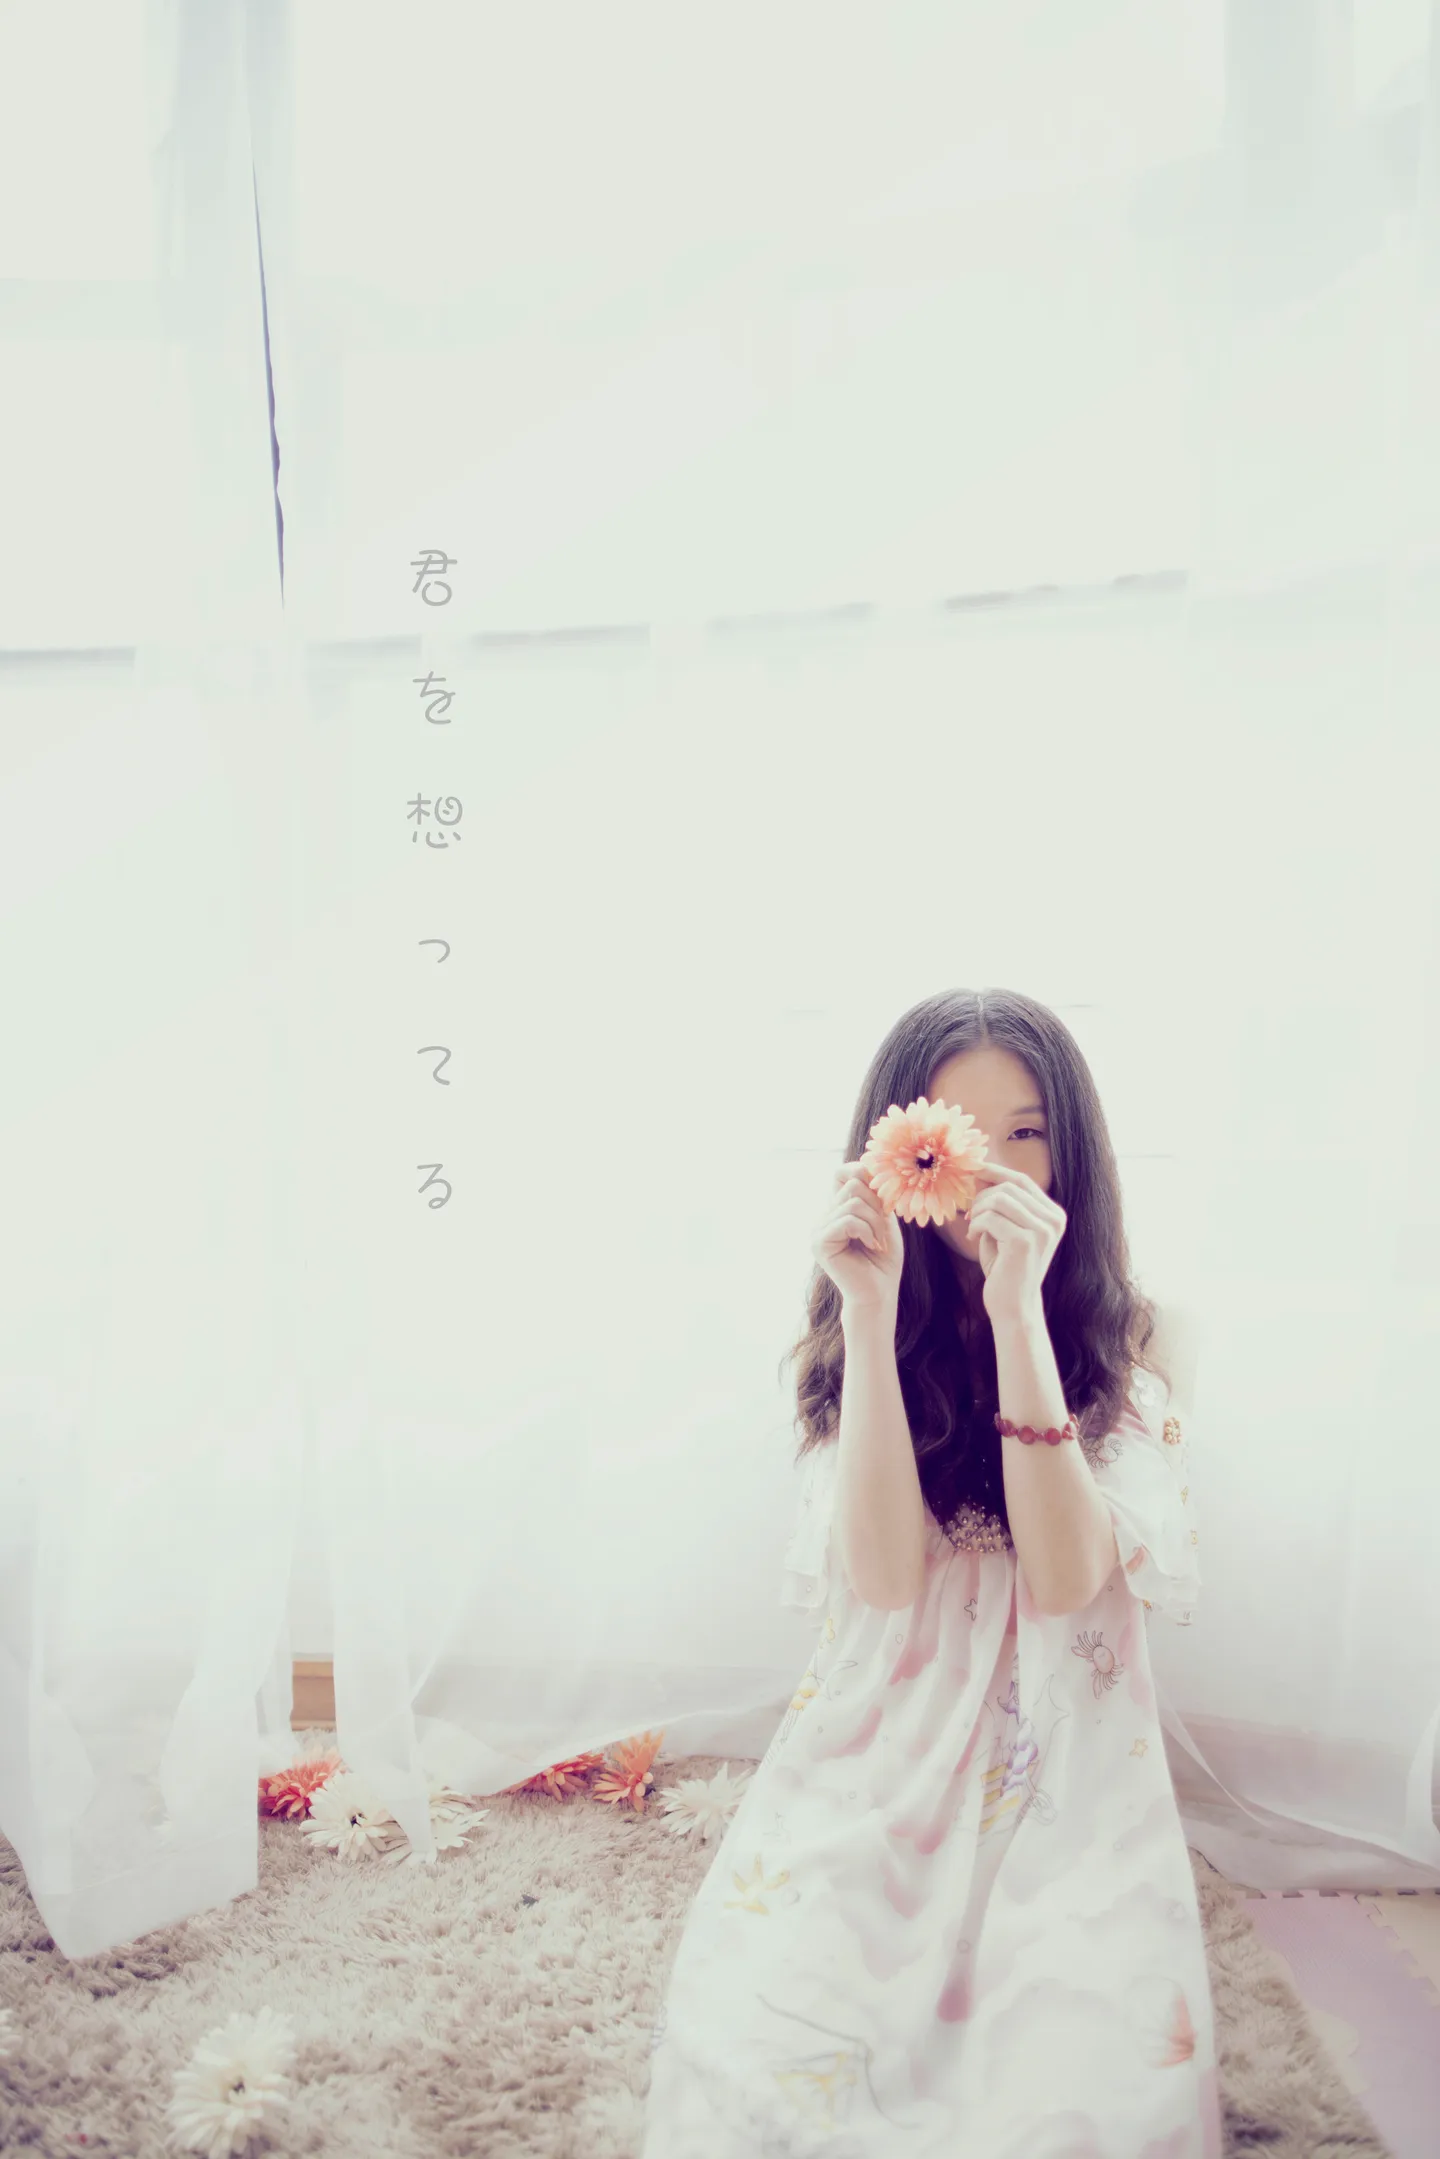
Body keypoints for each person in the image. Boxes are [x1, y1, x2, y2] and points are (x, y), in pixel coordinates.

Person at [641, 987, 1222, 2158]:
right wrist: (868, 1313)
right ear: (900, 1150)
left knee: (1077, 2095)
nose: (993, 1165)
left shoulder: (1141, 1333)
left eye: (1027, 1130)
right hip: (886, 1732)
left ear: (1072, 1147)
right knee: (768, 2064)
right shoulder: (862, 1323)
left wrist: (1018, 1315)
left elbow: (1066, 1578)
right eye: (957, 1132)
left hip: (1062, 1746)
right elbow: (886, 1577)